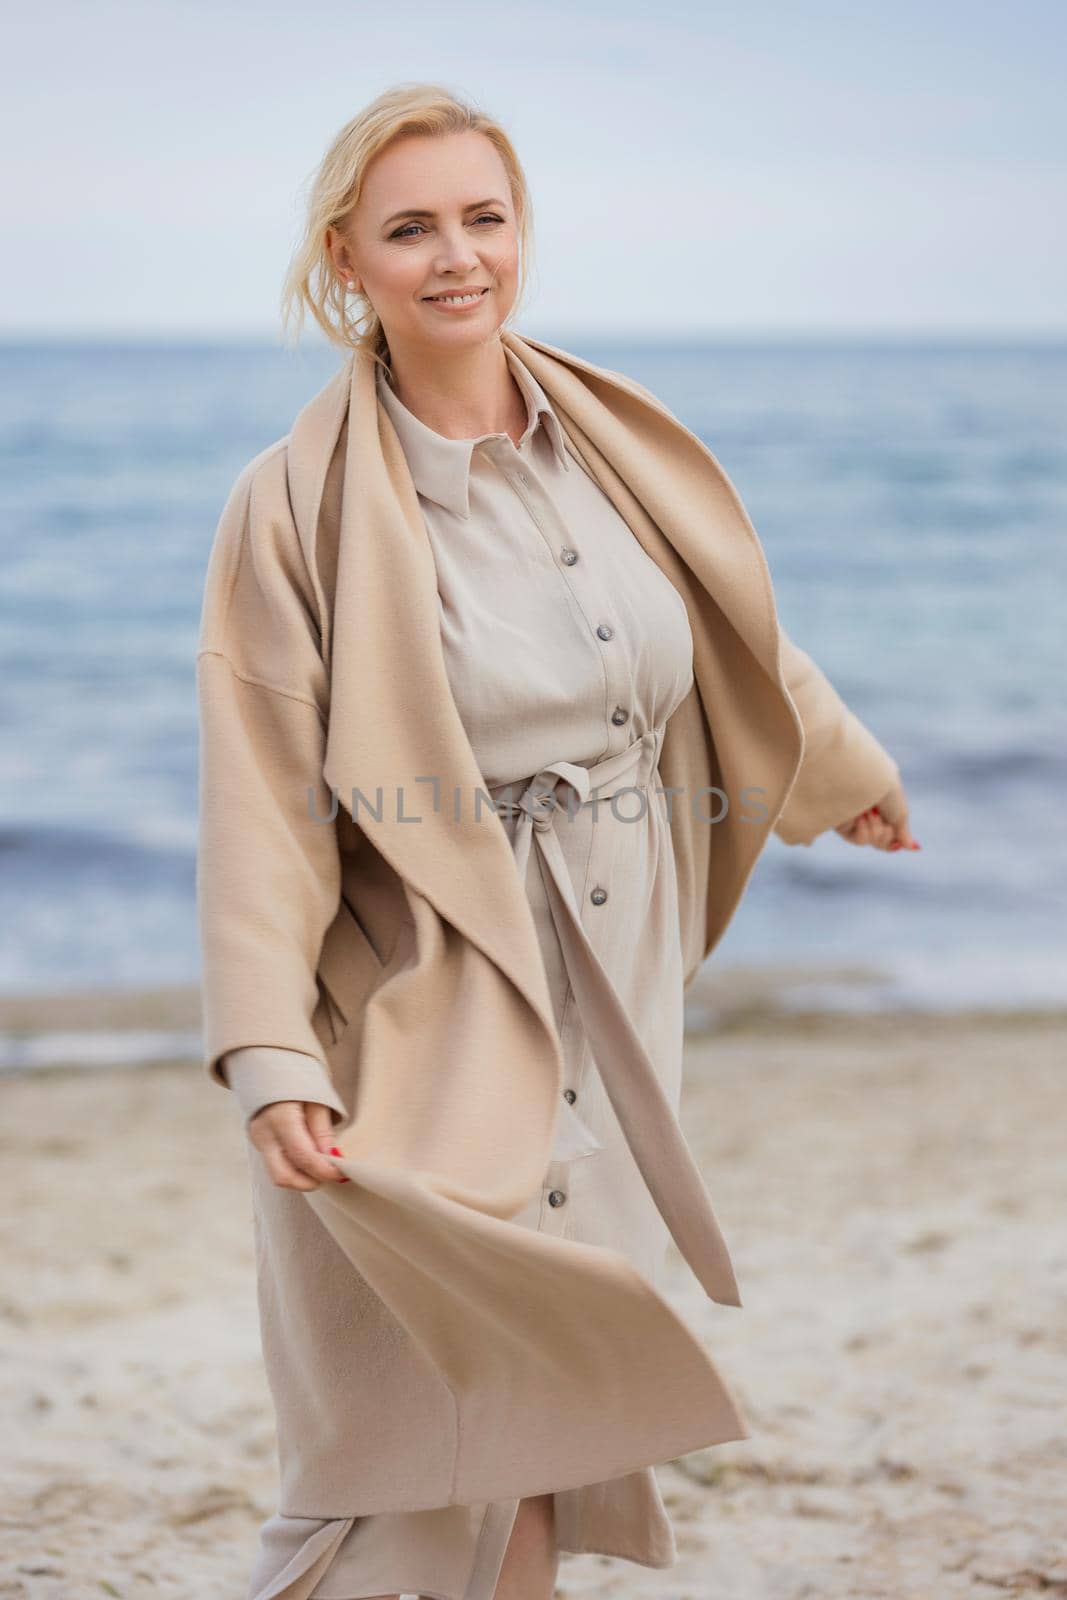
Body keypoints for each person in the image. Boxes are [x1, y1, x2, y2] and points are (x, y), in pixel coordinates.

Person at [196, 81, 918, 1600]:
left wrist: (838, 766)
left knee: (547, 1397)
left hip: (619, 953)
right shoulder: (290, 508)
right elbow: (260, 792)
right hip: (438, 972)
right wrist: (268, 1052)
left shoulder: (606, 434)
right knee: (423, 1377)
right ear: (346, 259)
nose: (458, 257)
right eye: (411, 229)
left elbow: (719, 624)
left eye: (484, 217)